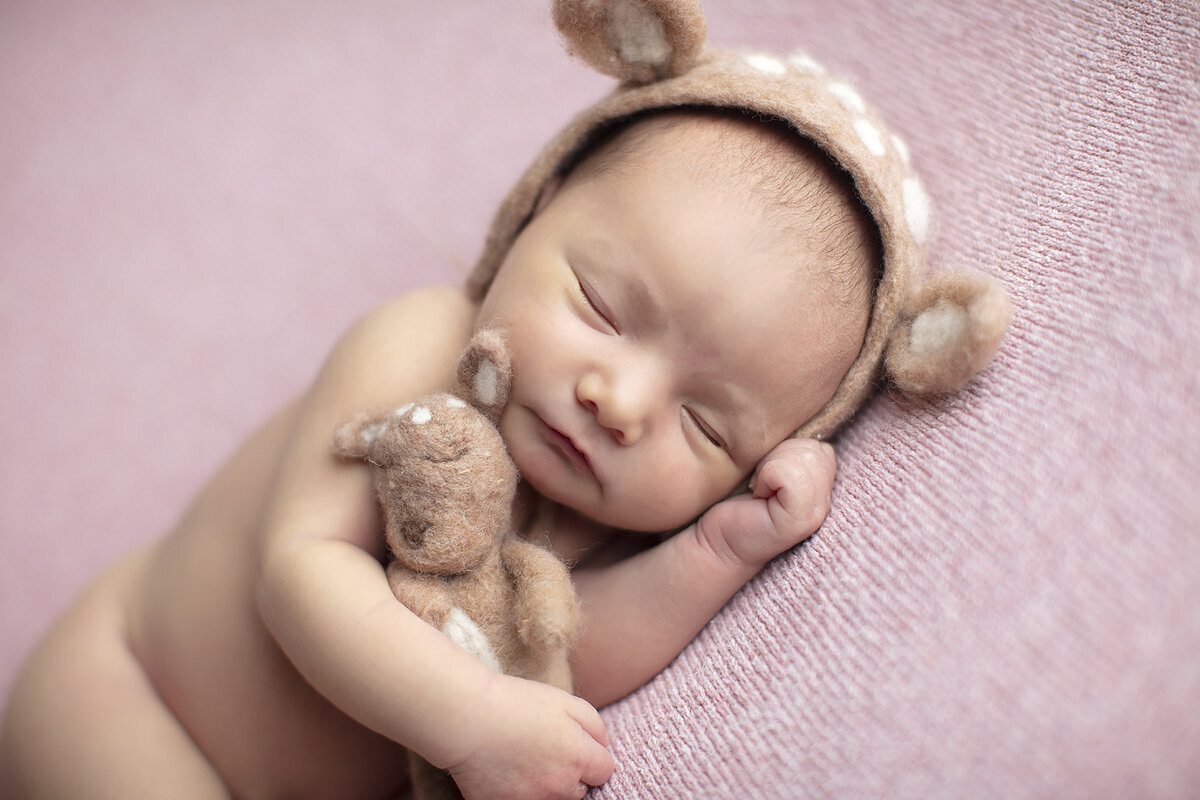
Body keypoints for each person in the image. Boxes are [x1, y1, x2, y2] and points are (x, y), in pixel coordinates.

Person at [0, 2, 1009, 798]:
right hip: (132, 692)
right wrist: (469, 719)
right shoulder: (422, 339)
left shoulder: (608, 511)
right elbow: (300, 571)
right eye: (601, 307)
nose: (620, 400)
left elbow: (557, 652)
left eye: (706, 423)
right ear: (528, 216)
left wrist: (718, 551)